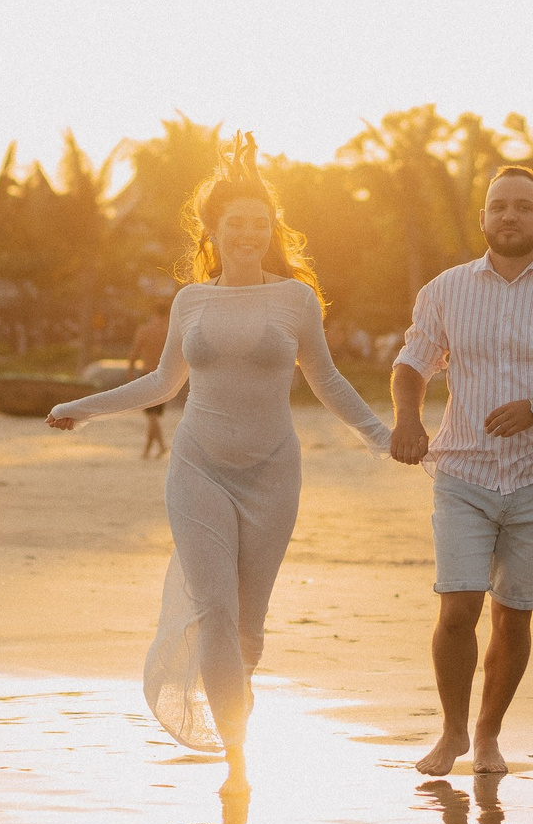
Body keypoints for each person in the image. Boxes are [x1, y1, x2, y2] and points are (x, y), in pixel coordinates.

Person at [47, 137, 391, 790]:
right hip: (198, 466)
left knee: (248, 628)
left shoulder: (295, 299)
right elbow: (161, 383)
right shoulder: (191, 302)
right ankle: (236, 760)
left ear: (272, 230)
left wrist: (381, 435)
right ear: (214, 230)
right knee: (215, 612)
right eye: (236, 222)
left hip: (272, 472)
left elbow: (326, 379)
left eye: (260, 223)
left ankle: (237, 712)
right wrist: (82, 408)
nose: (249, 233)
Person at [390, 166, 533, 776]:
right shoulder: (445, 290)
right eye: (499, 206)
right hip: (464, 472)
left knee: (514, 612)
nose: (509, 216)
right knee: (458, 606)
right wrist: (408, 421)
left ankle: (488, 735)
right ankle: (451, 733)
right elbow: (413, 361)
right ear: (483, 217)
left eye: (523, 207)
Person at [130, 300, 172, 461]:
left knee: (151, 415)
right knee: (153, 415)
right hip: (164, 374)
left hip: (147, 373)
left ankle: (161, 446)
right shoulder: (169, 331)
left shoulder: (144, 330)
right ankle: (147, 450)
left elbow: (135, 351)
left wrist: (130, 370)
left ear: (153, 313)